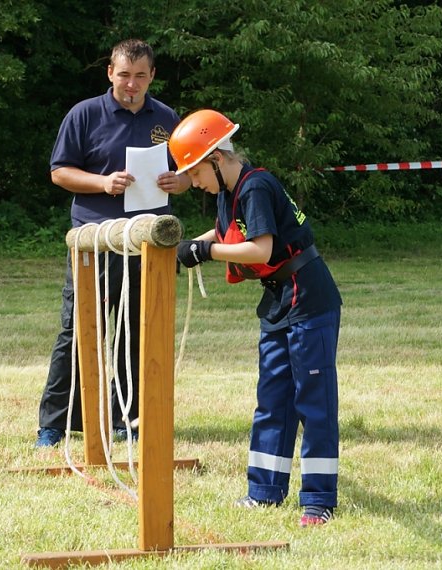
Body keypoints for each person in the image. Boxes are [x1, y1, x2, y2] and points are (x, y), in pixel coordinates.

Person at [169, 109, 342, 527]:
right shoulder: (229, 191)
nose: (193, 183)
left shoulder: (255, 186)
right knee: (272, 399)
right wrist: (191, 244)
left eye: (195, 173)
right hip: (279, 301)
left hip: (308, 298)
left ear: (215, 157)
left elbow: (260, 250)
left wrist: (206, 253)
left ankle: (318, 500)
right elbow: (226, 233)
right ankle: (264, 492)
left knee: (312, 402)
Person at [35, 39, 190, 447]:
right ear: (110, 73)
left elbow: (190, 173)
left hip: (147, 243)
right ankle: (56, 425)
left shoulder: (167, 118)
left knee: (139, 331)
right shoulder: (84, 114)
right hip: (93, 241)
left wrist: (182, 181)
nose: (132, 84)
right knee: (78, 331)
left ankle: (129, 420)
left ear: (152, 76)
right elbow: (60, 172)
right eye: (124, 75)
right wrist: (103, 183)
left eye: (140, 76)